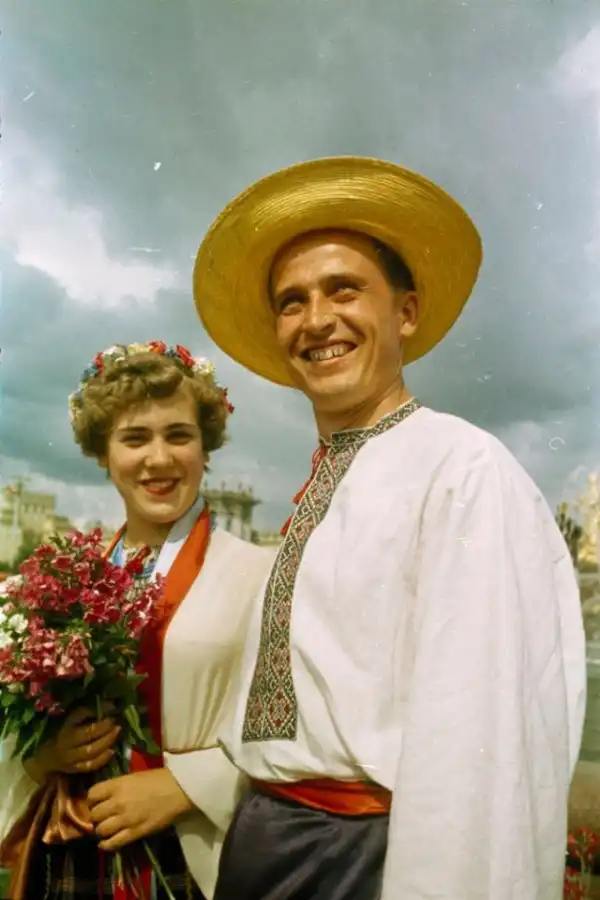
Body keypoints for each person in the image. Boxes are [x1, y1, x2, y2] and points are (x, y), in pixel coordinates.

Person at [192, 157, 588, 899]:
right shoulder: (328, 477)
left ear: (405, 312)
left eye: (344, 289)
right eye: (292, 302)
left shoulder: (462, 467)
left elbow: (480, 741)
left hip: (366, 858)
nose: (317, 320)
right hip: (267, 840)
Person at [0, 341, 275, 899]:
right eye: (134, 438)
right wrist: (43, 756)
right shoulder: (64, 579)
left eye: (178, 435)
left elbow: (301, 730)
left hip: (188, 857)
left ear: (205, 446)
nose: (159, 458)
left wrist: (187, 786)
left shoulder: (262, 573)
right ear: (103, 452)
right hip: (73, 852)